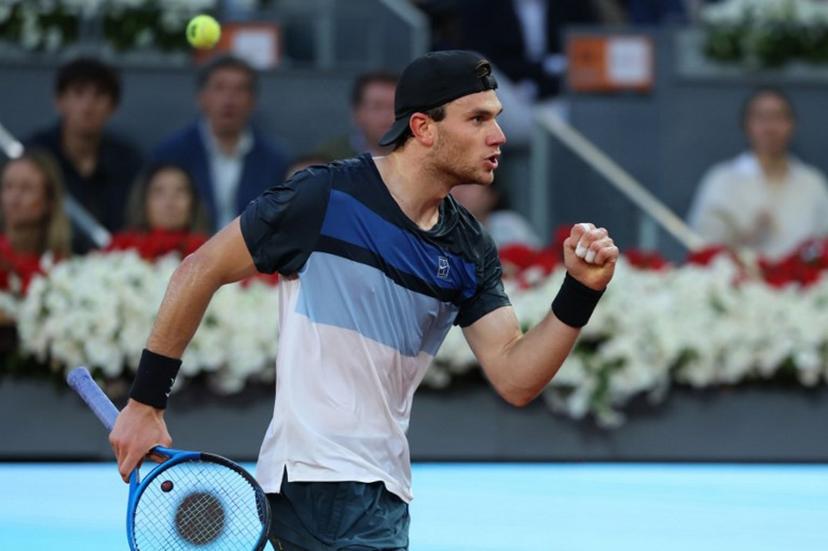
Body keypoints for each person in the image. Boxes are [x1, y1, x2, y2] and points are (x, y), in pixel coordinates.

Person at [110, 50, 619, 550]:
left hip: (383, 494)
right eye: (479, 118)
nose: (499, 135)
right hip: (317, 480)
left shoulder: (470, 248)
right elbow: (200, 270)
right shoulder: (323, 197)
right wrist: (145, 401)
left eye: (497, 118)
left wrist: (580, 290)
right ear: (423, 128)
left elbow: (516, 377)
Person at [152, 55, 290, 233]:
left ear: (253, 101)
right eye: (220, 88)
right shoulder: (172, 154)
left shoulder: (275, 160)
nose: (229, 100)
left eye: (240, 90)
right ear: (201, 98)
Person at [687, 87, 828, 259]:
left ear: (792, 125)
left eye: (779, 117)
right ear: (746, 125)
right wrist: (745, 237)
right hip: (739, 283)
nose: (770, 127)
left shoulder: (812, 182)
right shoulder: (721, 179)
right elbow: (702, 247)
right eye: (761, 117)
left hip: (803, 284)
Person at [26, 57, 143, 253]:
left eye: (99, 95)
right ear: (59, 101)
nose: (88, 106)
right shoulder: (34, 157)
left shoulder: (129, 162)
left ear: (113, 107)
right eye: (78, 93)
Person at [0, 150, 72, 298]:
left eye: (26, 188)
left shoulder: (62, 269)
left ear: (49, 202)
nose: (14, 198)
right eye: (8, 187)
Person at [106, 163, 209, 260]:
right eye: (159, 192)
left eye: (180, 191)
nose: (170, 202)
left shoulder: (210, 251)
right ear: (143, 201)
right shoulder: (120, 250)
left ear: (193, 202)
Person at [315, 71, 398, 160]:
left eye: (395, 106)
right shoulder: (329, 157)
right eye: (377, 107)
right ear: (356, 113)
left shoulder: (414, 156)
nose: (387, 115)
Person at [451, 182, 543, 248]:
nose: (458, 191)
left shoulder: (509, 226)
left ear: (492, 194)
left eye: (466, 183)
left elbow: (536, 267)